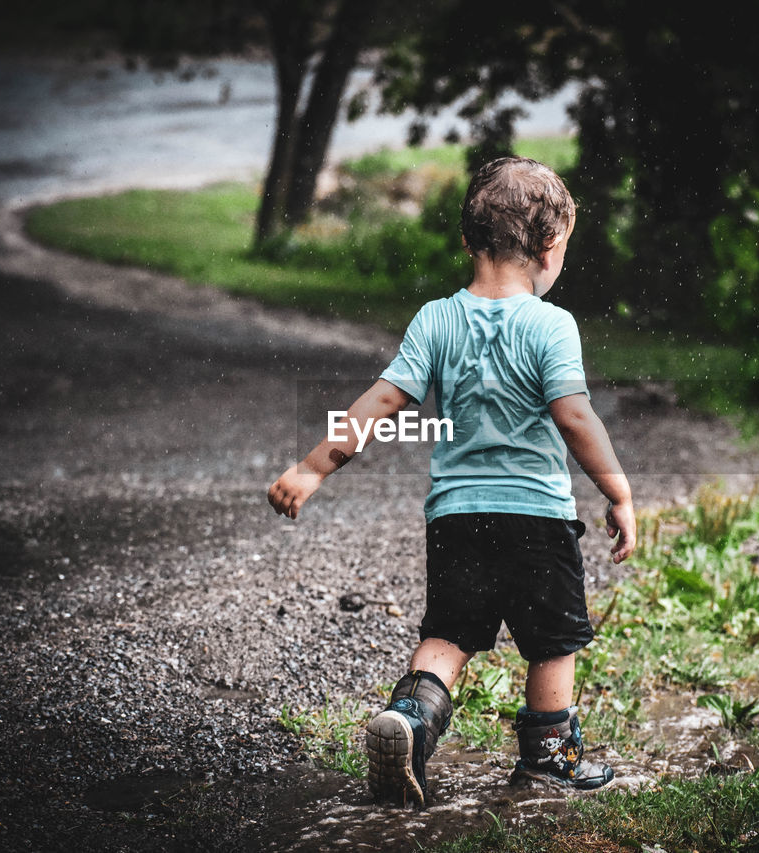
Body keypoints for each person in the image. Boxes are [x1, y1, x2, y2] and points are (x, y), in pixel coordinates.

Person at [268, 156, 636, 807]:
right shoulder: (552, 325)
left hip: (458, 518)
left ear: (468, 241)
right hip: (537, 520)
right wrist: (618, 490)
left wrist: (310, 467)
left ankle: (409, 721)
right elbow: (575, 416)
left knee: (448, 635)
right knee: (553, 641)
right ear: (551, 248)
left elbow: (381, 402)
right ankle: (549, 758)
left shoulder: (438, 318)